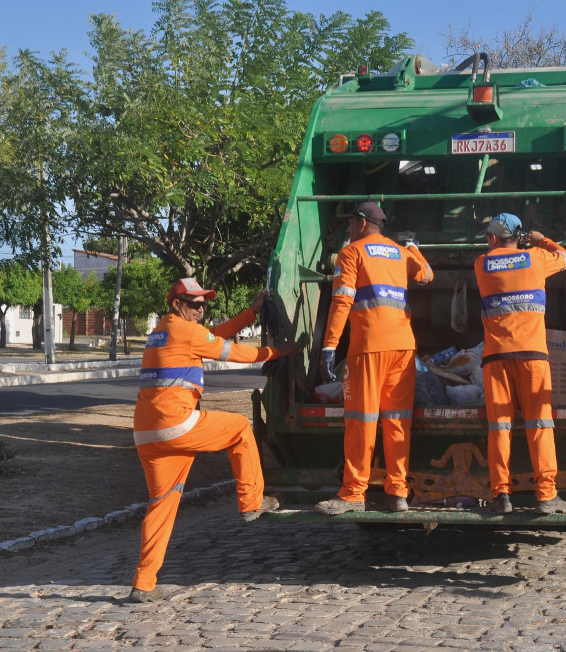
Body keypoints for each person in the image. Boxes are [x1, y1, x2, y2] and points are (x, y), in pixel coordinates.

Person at [129, 278, 297, 603]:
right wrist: (278, 351)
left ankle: (143, 583)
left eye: (203, 303)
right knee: (239, 428)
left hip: (147, 432)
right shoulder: (186, 331)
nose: (201, 309)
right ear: (177, 304)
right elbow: (236, 352)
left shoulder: (162, 330)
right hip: (175, 423)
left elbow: (216, 335)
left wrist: (251, 312)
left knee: (161, 505)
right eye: (195, 303)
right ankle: (251, 502)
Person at [316, 201, 433, 515]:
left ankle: (354, 492)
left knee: (360, 420)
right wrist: (414, 248)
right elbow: (426, 275)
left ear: (363, 222)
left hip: (368, 350)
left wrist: (329, 346)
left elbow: (342, 301)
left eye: (351, 223)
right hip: (403, 349)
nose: (349, 229)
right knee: (397, 422)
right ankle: (398, 493)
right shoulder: (400, 252)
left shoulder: (352, 253)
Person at [474, 213, 566, 515]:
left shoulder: (481, 264)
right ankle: (546, 495)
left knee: (499, 427)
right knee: (540, 425)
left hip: (496, 359)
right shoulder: (536, 259)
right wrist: (541, 239)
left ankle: (501, 496)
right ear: (518, 237)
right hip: (532, 357)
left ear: (492, 239)